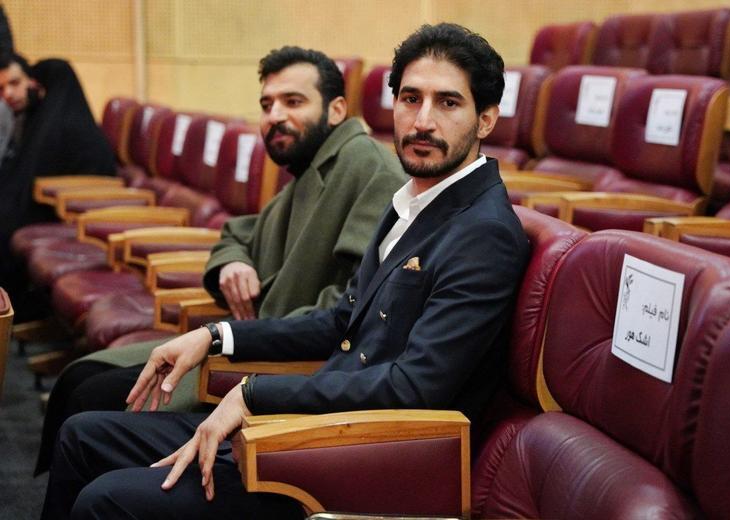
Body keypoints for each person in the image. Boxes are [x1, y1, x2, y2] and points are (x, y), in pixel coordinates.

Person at [42, 23, 530, 519]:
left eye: (447, 103)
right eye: (410, 99)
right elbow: (340, 320)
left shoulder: (483, 232)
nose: (422, 121)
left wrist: (255, 394)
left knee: (105, 500)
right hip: (308, 424)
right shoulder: (413, 200)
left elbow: (414, 388)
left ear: (485, 120)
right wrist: (215, 336)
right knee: (82, 437)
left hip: (354, 458)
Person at [34, 46, 406, 475]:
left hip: (281, 364)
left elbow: (352, 312)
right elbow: (237, 233)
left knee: (90, 399)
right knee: (78, 378)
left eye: (293, 101)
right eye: (266, 105)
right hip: (249, 341)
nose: (275, 116)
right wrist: (233, 264)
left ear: (337, 109)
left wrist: (234, 338)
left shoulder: (369, 169)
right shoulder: (313, 165)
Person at [0, 54, 115, 317]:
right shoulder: (39, 120)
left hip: (79, 217)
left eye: (16, 83)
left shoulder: (67, 127)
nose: (9, 94)